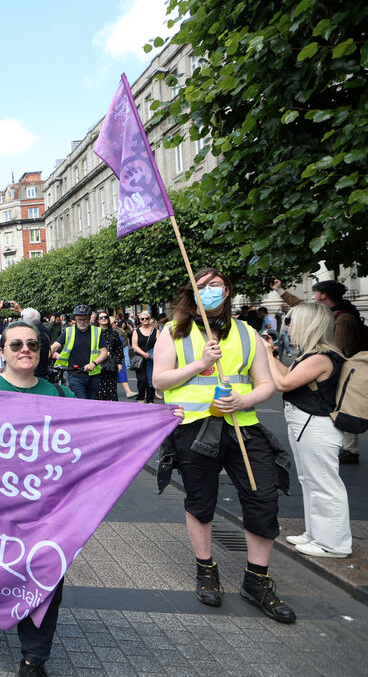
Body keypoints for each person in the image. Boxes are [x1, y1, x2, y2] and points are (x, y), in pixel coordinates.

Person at [153, 267, 295, 623]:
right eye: (200, 286)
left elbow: (266, 383)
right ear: (192, 293)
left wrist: (246, 402)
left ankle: (257, 580)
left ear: (228, 290)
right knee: (201, 501)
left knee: (263, 498)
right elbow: (159, 381)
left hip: (242, 427)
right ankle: (206, 569)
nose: (208, 291)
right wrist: (201, 363)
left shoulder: (248, 333)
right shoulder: (172, 333)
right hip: (194, 429)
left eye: (214, 285)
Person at [0, 321, 73, 677]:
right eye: (16, 345)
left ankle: (33, 660)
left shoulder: (61, 396)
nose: (24, 350)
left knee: (45, 578)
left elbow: (95, 434)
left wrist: (161, 417)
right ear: (2, 352)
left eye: (31, 344)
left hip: (44, 509)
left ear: (40, 352)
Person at [262, 303, 352, 558]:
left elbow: (282, 383)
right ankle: (316, 534)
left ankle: (333, 544)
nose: (289, 327)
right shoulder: (312, 356)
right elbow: (289, 376)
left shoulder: (322, 357)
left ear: (308, 325)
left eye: (292, 322)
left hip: (316, 425)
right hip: (307, 424)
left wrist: (267, 354)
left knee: (323, 483)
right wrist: (274, 357)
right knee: (310, 480)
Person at [272, 278, 363, 463]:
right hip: (326, 366)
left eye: (316, 293)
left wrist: (320, 359)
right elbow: (301, 307)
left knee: (340, 406)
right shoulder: (330, 312)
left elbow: (341, 348)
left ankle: (350, 449)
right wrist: (280, 290)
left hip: (336, 371)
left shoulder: (341, 319)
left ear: (323, 294)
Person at [49, 305, 108, 400]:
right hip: (75, 375)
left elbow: (104, 352)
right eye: (79, 319)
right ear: (75, 319)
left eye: (85, 319)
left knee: (91, 403)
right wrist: (45, 355)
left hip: (94, 375)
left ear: (90, 319)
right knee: (82, 401)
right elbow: (54, 347)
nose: (82, 322)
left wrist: (93, 364)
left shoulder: (97, 331)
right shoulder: (69, 331)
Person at [131, 311, 158, 403]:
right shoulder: (136, 331)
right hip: (140, 359)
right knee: (142, 380)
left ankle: (150, 400)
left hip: (152, 359)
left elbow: (159, 345)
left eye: (147, 318)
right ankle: (141, 398)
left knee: (151, 380)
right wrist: (144, 354)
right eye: (142, 319)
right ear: (140, 320)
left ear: (150, 319)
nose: (145, 320)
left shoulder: (156, 331)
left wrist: (151, 355)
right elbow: (134, 345)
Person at [96, 312, 122, 401]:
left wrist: (119, 363)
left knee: (111, 387)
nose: (104, 319)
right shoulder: (95, 333)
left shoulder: (114, 333)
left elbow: (118, 349)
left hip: (111, 363)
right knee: (99, 388)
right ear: (98, 320)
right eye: (101, 317)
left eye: (106, 317)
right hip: (97, 363)